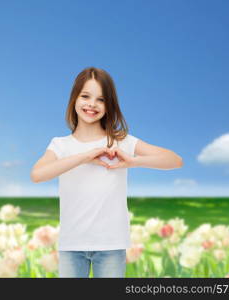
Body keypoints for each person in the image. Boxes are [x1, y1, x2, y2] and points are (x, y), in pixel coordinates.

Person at [30, 66, 183, 278]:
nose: (91, 104)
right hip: (71, 244)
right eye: (85, 96)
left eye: (100, 99)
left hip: (111, 244)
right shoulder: (60, 145)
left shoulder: (120, 140)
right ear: (74, 98)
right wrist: (85, 156)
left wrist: (133, 161)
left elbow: (174, 160)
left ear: (109, 105)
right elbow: (37, 174)